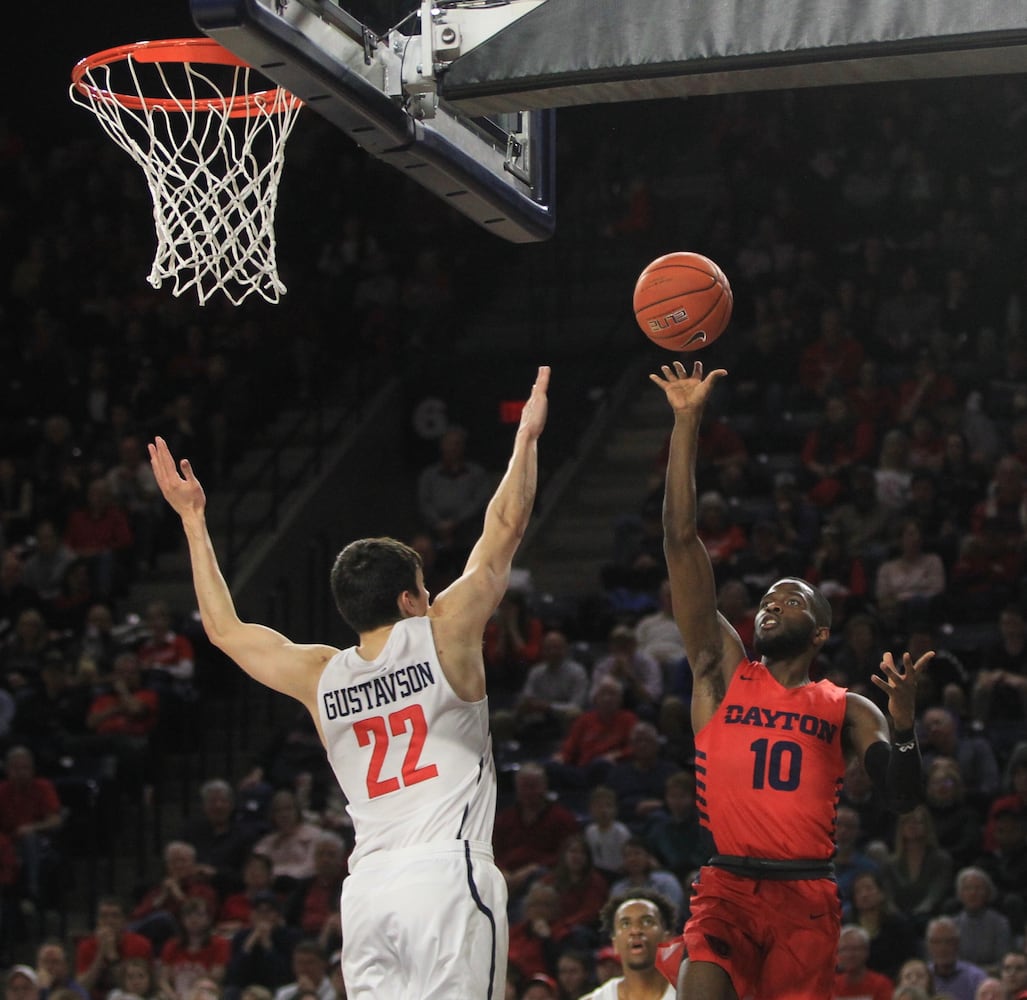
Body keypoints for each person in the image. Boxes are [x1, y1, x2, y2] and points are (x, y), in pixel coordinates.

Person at [149, 366, 550, 1000]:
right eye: (424, 587)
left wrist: (194, 521)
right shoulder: (443, 632)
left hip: (367, 895)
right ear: (412, 598)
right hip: (445, 876)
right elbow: (503, 531)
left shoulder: (321, 675)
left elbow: (224, 630)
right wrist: (525, 439)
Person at [647, 361, 931, 1000]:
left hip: (806, 894)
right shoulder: (720, 673)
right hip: (725, 887)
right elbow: (680, 538)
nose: (772, 605)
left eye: (793, 600)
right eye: (769, 600)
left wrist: (907, 724)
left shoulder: (848, 707)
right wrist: (686, 422)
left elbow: (903, 795)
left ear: (822, 632)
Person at [580, 889, 677, 1000]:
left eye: (647, 921)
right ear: (615, 943)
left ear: (667, 938)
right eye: (625, 924)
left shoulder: (690, 995)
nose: (635, 930)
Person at [74, 896, 154, 1000]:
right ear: (98, 921)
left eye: (115, 916)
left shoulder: (141, 944)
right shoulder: (86, 946)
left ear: (125, 921)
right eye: (104, 916)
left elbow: (145, 986)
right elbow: (81, 988)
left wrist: (113, 957)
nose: (109, 921)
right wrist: (100, 954)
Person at [925, 915, 988, 1000]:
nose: (942, 948)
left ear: (957, 944)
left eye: (948, 941)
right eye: (936, 942)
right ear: (929, 946)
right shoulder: (923, 977)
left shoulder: (976, 978)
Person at [833, 924, 894, 1000]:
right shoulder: (831, 986)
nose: (849, 955)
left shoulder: (881, 985)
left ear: (866, 951)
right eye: (844, 949)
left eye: (855, 949)